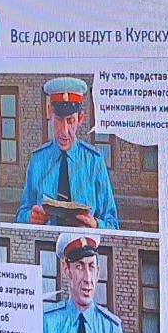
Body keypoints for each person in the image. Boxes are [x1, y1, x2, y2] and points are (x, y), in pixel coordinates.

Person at [16, 77, 119, 228]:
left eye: (70, 121)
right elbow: (20, 216)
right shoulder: (37, 161)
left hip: (83, 242)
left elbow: (113, 224)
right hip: (47, 243)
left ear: (80, 118)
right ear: (49, 113)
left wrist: (96, 225)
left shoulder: (94, 162)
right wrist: (29, 217)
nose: (64, 131)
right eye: (58, 120)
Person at [41, 237, 128, 333]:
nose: (87, 278)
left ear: (97, 273)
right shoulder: (47, 324)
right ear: (66, 270)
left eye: (91, 267)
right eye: (79, 267)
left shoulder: (111, 330)